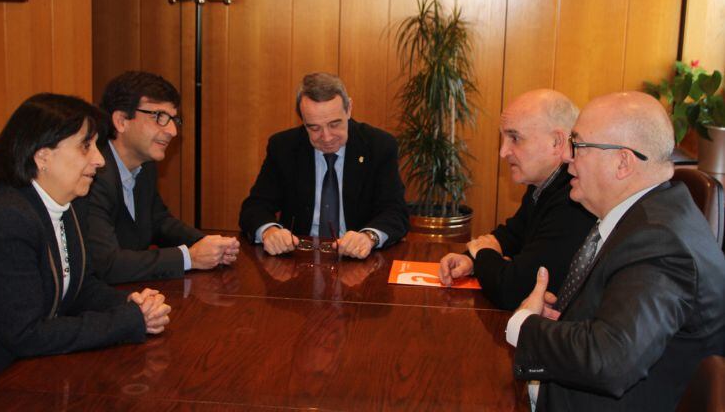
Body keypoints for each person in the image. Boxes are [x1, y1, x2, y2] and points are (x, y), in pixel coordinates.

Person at [507, 91, 725, 410]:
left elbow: (612, 361)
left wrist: (524, 325)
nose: (567, 156)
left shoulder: (661, 241)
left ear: (622, 162)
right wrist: (559, 327)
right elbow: (614, 323)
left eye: (578, 145)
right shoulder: (645, 215)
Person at [0, 93, 171, 401]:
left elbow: (78, 289)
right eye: (86, 146)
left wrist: (130, 304)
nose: (98, 159)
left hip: (35, 375)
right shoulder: (6, 218)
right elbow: (27, 334)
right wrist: (127, 321)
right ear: (42, 156)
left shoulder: (65, 204)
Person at [438, 89, 595, 309]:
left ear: (557, 142)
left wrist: (483, 254)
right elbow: (512, 235)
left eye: (515, 138)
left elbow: (512, 289)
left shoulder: (574, 200)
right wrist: (472, 260)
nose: (503, 152)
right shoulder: (542, 184)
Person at [86, 71, 239, 284]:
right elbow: (107, 264)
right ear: (121, 121)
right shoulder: (91, 175)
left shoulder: (146, 166)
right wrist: (190, 258)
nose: (173, 131)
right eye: (159, 117)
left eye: (174, 119)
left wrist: (207, 243)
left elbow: (159, 222)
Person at [239, 72, 408, 259]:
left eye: (335, 124)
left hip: (360, 260)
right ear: (302, 120)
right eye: (314, 128)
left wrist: (369, 237)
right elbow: (254, 207)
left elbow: (395, 211)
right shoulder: (284, 147)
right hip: (298, 258)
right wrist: (269, 231)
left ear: (349, 109)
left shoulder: (379, 146)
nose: (326, 137)